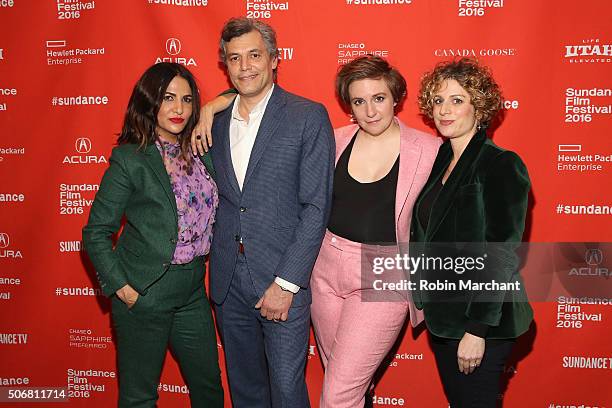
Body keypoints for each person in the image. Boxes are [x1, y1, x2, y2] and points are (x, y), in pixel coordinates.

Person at [192, 55, 441, 407]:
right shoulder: (334, 138)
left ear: (396, 97)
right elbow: (259, 99)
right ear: (349, 105)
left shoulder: (428, 150)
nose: (370, 111)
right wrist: (212, 106)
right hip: (324, 269)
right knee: (347, 380)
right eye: (359, 101)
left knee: (338, 394)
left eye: (379, 98)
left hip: (382, 272)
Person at [197, 18, 334, 407]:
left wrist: (287, 282)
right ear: (225, 65)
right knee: (245, 390)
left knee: (288, 392)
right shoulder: (216, 122)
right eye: (234, 59)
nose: (245, 67)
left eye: (255, 55)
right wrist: (211, 105)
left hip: (281, 279)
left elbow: (316, 207)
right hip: (226, 280)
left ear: (274, 59)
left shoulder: (307, 115)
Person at [82, 62, 223, 408]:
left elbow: (242, 93)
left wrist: (211, 108)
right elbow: (95, 232)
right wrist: (124, 289)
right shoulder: (131, 159)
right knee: (139, 397)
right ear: (149, 102)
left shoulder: (200, 150)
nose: (179, 109)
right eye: (168, 98)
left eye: (187, 100)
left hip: (192, 290)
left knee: (209, 389)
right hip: (145, 290)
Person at [411, 58, 533, 407]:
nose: (444, 110)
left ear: (479, 108)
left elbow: (500, 254)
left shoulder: (500, 164)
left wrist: (477, 330)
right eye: (438, 100)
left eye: (457, 100)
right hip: (444, 319)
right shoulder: (439, 161)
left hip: (483, 324)